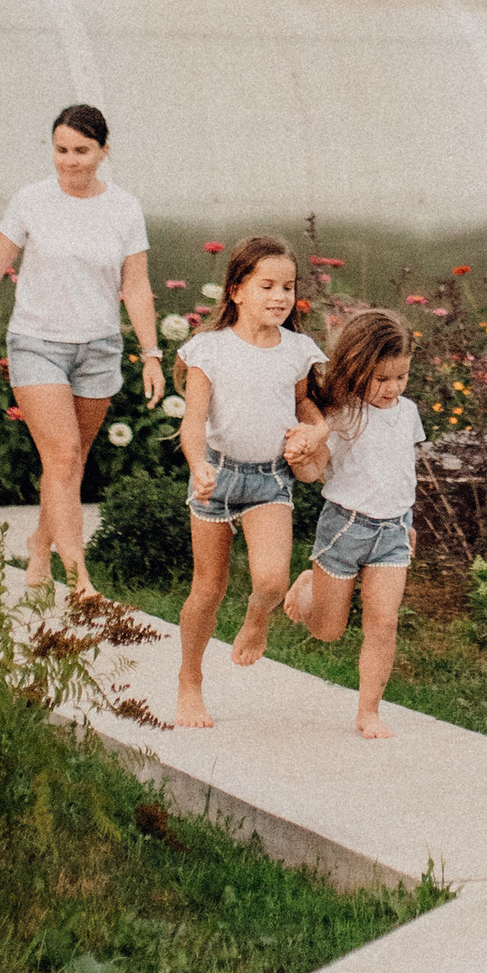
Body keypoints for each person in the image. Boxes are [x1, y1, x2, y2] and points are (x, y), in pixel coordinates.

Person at [0, 103, 164, 593]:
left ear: (104, 151)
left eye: (82, 151)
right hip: (37, 344)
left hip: (99, 350)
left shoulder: (124, 208)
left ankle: (41, 544)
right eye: (61, 150)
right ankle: (79, 579)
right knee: (63, 457)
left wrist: (151, 353)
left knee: (70, 460)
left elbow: (138, 284)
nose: (70, 161)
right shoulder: (31, 200)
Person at [175, 232, 320, 729]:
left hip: (270, 481)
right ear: (236, 290)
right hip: (217, 476)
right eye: (267, 286)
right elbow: (193, 422)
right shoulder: (208, 350)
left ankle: (257, 620)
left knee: (272, 580)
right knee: (208, 589)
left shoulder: (298, 350)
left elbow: (305, 407)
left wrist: (313, 431)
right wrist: (198, 466)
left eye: (288, 287)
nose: (280, 297)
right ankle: (189, 682)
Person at [284, 305, 424, 740]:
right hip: (344, 530)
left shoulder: (409, 412)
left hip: (393, 533)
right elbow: (314, 472)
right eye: (381, 379)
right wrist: (301, 456)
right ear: (356, 367)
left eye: (401, 377)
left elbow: (405, 468)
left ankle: (369, 712)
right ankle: (309, 584)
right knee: (328, 631)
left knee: (383, 623)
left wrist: (410, 522)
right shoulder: (340, 417)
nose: (392, 388)